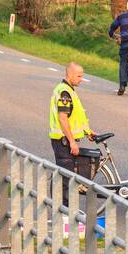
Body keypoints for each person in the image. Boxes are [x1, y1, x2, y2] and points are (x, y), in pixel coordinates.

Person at [49, 62, 96, 199]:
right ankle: (64, 217)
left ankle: (64, 214)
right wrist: (72, 142)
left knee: (66, 177)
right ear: (70, 75)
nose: (81, 79)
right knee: (65, 181)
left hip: (64, 141)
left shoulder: (68, 90)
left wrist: (88, 131)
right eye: (79, 76)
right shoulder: (65, 92)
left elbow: (75, 118)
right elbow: (63, 118)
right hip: (62, 141)